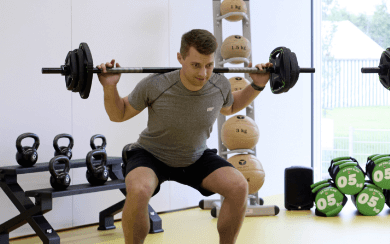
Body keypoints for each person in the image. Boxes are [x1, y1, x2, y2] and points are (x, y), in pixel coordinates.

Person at [96, 29, 272, 244]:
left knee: (238, 187)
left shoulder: (219, 85)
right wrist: (110, 86)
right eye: (196, 65)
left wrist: (258, 84)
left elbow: (231, 106)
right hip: (152, 155)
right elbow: (119, 114)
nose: (203, 74)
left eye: (208, 65)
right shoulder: (156, 84)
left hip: (195, 156)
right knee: (139, 190)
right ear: (180, 58)